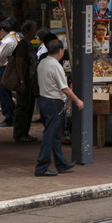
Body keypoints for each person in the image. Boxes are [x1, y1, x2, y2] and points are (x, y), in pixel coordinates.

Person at [34, 40, 83, 177]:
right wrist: (77, 100)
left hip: (44, 101)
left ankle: (61, 163)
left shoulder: (42, 62)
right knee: (49, 136)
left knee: (54, 135)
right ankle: (42, 167)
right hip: (54, 103)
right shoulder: (56, 66)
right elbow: (64, 88)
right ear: (60, 51)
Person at [12, 20, 39, 143]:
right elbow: (18, 64)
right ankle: (19, 133)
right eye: (33, 30)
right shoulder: (22, 45)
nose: (35, 33)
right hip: (25, 81)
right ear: (27, 31)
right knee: (22, 107)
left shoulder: (29, 44)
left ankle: (25, 133)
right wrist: (21, 81)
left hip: (31, 81)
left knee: (29, 107)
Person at [0, 18, 18, 128]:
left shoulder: (7, 42)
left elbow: (0, 59)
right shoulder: (14, 37)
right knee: (6, 92)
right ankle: (12, 114)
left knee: (4, 93)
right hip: (9, 67)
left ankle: (9, 117)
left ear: (2, 30)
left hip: (6, 68)